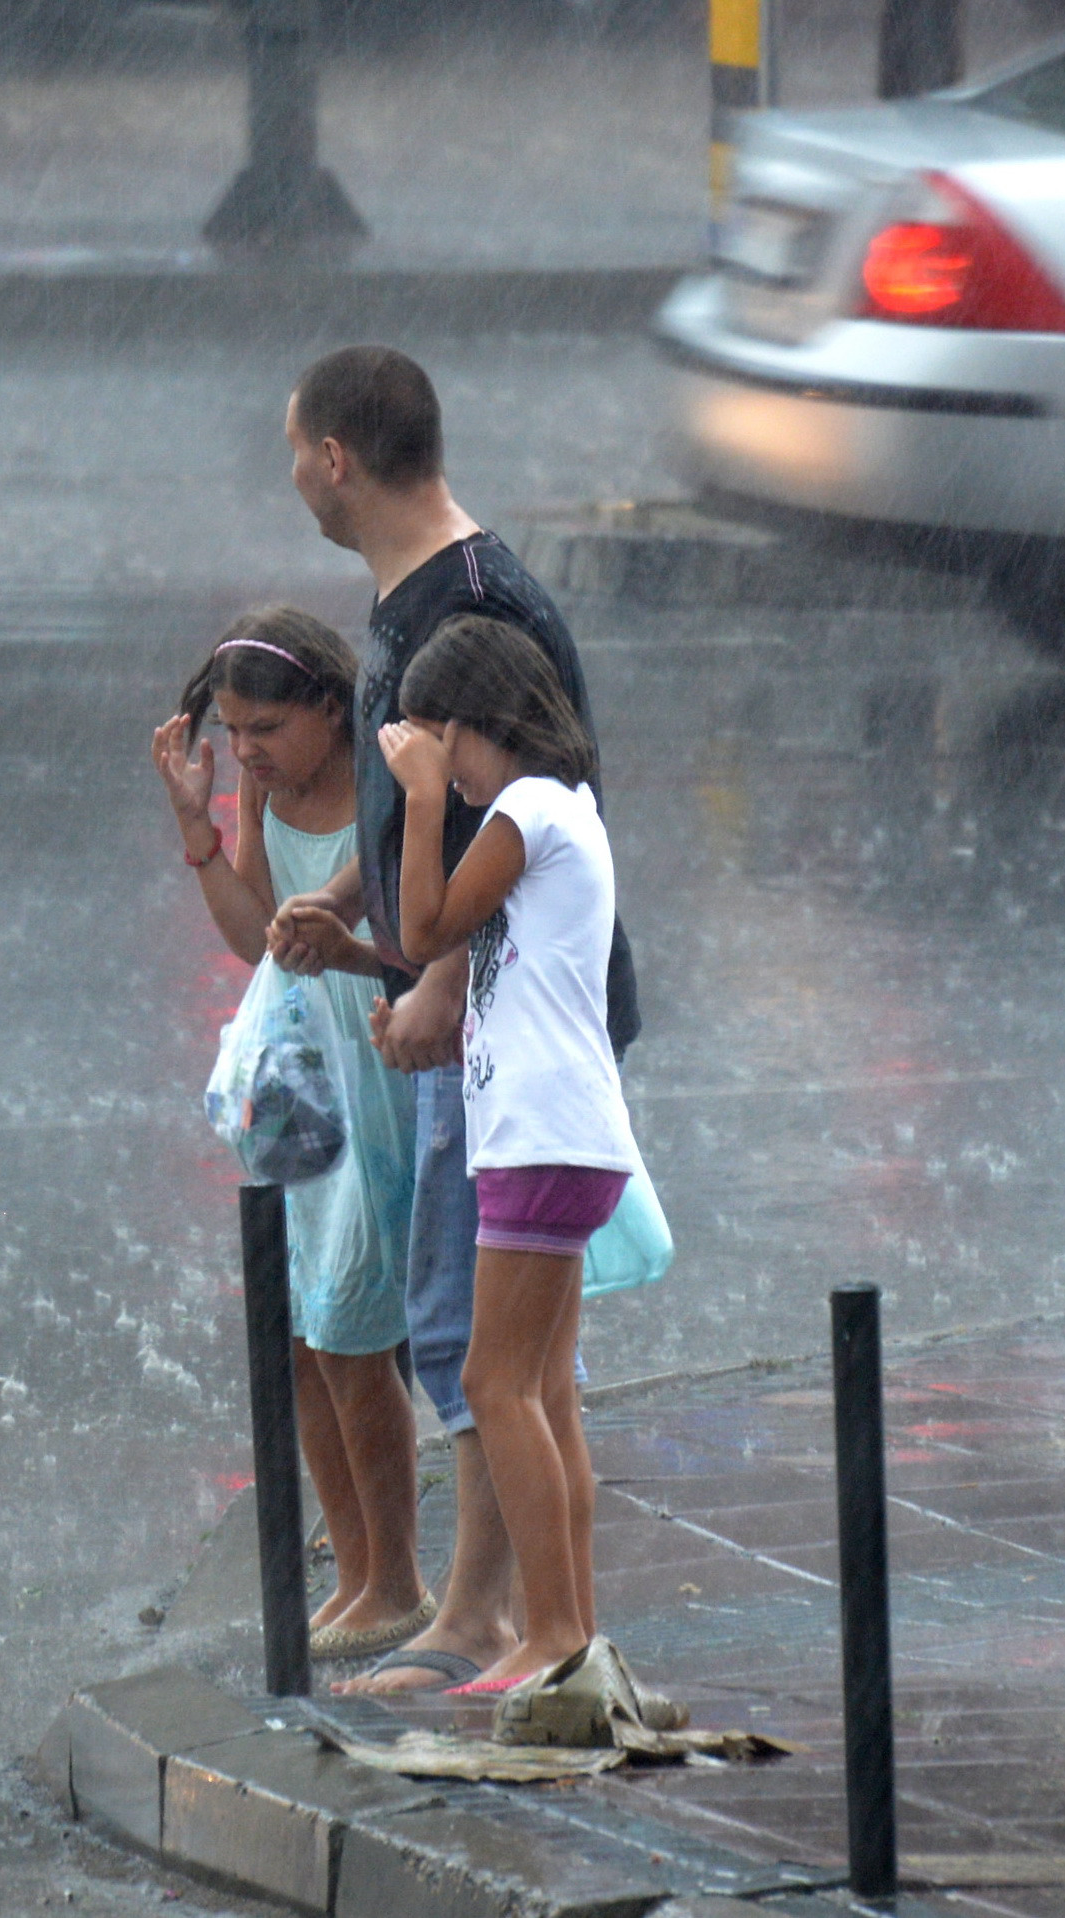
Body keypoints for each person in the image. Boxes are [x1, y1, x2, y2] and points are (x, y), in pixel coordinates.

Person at [263, 344, 640, 1695]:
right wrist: (343, 899)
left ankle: (497, 1619)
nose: (292, 475)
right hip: (482, 1016)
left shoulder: (476, 603)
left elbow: (502, 804)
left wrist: (428, 972)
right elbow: (419, 804)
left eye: (294, 450)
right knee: (511, 1355)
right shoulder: (415, 596)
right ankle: (530, 1619)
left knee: (477, 1344)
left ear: (336, 459)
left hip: (501, 1030)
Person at [151, 607, 432, 1660]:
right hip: (300, 1082)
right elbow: (258, 937)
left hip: (379, 1062)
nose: (247, 750)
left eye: (264, 727)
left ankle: (395, 1579)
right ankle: (354, 1571)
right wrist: (200, 831)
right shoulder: (263, 785)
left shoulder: (385, 778)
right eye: (229, 732)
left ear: (329, 704)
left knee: (359, 1332)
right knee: (307, 1336)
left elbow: (396, 928)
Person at [373, 614, 639, 1692]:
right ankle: (562, 1626)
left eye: (438, 741)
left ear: (475, 722)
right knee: (543, 1391)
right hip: (556, 1130)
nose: (440, 767)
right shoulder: (558, 812)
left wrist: (425, 796)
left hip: (542, 1132)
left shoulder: (527, 805)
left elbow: (427, 922)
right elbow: (448, 949)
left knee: (494, 1380)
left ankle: (555, 1635)